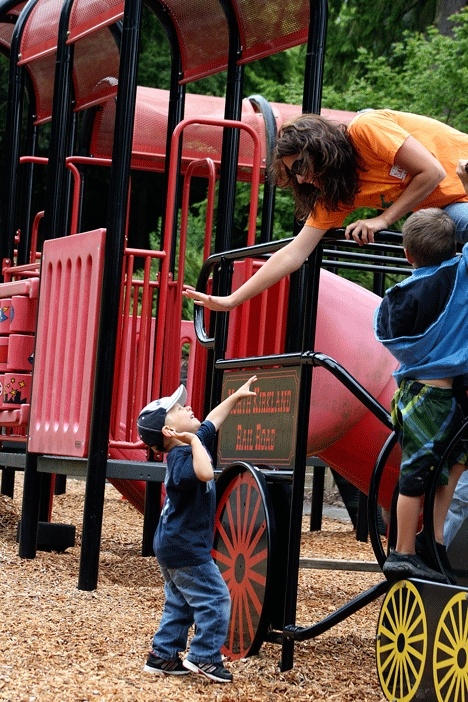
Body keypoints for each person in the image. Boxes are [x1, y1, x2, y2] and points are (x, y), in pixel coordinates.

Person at [184, 109, 468, 313]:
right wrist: (232, 300)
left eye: (299, 166)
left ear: (319, 149)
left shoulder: (366, 129)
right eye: (292, 174)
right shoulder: (339, 193)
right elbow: (294, 253)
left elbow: (432, 172)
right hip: (450, 207)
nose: (300, 179)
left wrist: (383, 219)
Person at [137, 376, 257, 683]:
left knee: (180, 602)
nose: (188, 407)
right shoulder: (181, 457)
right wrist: (193, 442)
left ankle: (163, 655)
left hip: (172, 542)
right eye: (179, 409)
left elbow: (212, 421)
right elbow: (205, 473)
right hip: (185, 546)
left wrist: (235, 397)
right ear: (170, 431)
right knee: (216, 599)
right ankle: (204, 656)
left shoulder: (189, 445)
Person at [373, 208, 468, 582]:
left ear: (407, 254)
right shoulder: (459, 276)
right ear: (454, 248)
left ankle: (434, 539)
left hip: (428, 393)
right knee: (417, 474)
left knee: (458, 460)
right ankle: (403, 551)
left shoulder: (397, 297)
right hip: (431, 395)